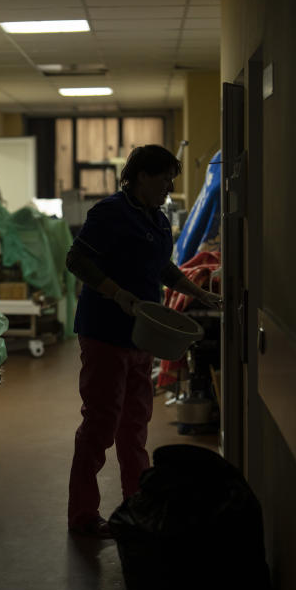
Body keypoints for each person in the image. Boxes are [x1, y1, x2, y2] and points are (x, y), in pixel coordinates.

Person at [65, 144, 222, 538]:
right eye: (164, 177)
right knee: (101, 424)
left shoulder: (155, 218)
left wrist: (196, 291)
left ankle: (138, 507)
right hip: (104, 332)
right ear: (139, 177)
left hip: (142, 334)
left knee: (134, 427)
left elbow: (160, 265)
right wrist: (116, 293)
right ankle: (83, 515)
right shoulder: (110, 213)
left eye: (172, 177)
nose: (170, 185)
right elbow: (76, 261)